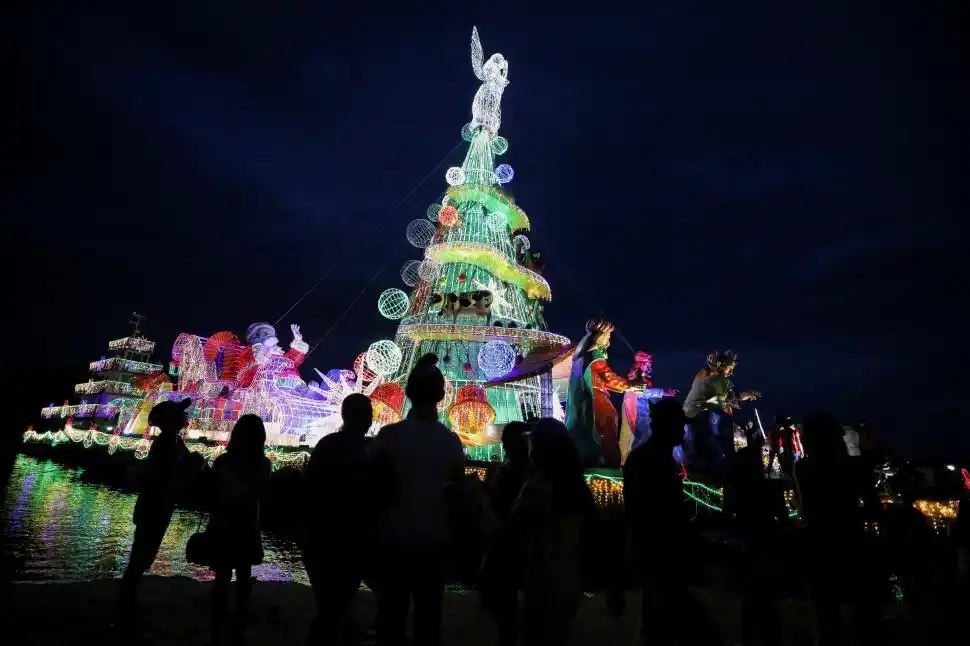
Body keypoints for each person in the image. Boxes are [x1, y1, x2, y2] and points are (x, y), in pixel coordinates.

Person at [370, 353, 465, 646]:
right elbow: (456, 495)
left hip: (394, 540)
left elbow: (374, 491)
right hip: (434, 543)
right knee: (428, 619)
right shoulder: (450, 442)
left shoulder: (388, 437)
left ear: (408, 392)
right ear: (441, 395)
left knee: (390, 616)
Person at [485, 418, 593, 646]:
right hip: (569, 577)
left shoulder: (536, 490)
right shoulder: (579, 489)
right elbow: (592, 534)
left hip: (541, 576)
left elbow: (511, 532)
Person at [624, 398, 721, 645]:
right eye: (680, 425)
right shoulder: (652, 461)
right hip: (658, 553)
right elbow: (649, 513)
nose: (684, 430)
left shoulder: (654, 459)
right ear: (668, 425)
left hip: (656, 553)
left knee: (659, 623)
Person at [794, 412, 881, 646]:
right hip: (851, 544)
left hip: (818, 548)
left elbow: (806, 510)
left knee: (825, 623)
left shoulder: (803, 468)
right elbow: (874, 508)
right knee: (863, 619)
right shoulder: (855, 467)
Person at [303, 393, 375, 645]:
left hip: (323, 537)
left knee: (330, 605)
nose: (371, 418)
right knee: (336, 606)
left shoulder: (327, 445)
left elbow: (309, 489)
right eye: (368, 413)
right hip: (347, 539)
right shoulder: (367, 451)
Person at [117, 398, 192, 619]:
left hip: (161, 504)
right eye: (181, 412)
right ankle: (126, 605)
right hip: (155, 505)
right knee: (142, 554)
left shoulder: (174, 440)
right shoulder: (167, 442)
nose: (186, 415)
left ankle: (127, 601)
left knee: (144, 554)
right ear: (171, 420)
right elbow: (170, 473)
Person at [208, 414, 272, 643]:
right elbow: (264, 496)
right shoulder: (264, 464)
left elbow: (212, 492)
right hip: (247, 524)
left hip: (224, 522)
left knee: (223, 576)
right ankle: (239, 624)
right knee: (244, 575)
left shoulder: (224, 461)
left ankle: (217, 626)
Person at [725, 431, 791, 645]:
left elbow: (727, 513)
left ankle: (749, 638)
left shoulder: (736, 487)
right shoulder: (769, 487)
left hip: (746, 546)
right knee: (768, 605)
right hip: (766, 546)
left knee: (749, 601)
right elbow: (783, 517)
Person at [565, 319, 644, 468]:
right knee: (603, 442)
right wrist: (632, 385)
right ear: (600, 336)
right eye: (607, 336)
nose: (609, 340)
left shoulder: (580, 357)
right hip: (595, 407)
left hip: (582, 406)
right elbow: (608, 377)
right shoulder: (594, 356)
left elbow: (603, 380)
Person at [682, 350, 759, 474]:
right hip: (703, 418)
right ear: (721, 365)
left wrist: (747, 395)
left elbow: (733, 399)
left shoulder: (724, 381)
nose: (731, 371)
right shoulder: (706, 374)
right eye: (730, 368)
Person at [618, 351, 678, 465]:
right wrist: (663, 392)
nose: (649, 367)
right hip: (635, 412)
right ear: (640, 363)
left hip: (642, 413)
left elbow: (652, 398)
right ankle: (632, 463)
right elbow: (643, 392)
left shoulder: (643, 378)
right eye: (647, 364)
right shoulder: (634, 376)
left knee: (644, 437)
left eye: (650, 364)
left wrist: (662, 396)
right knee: (642, 437)